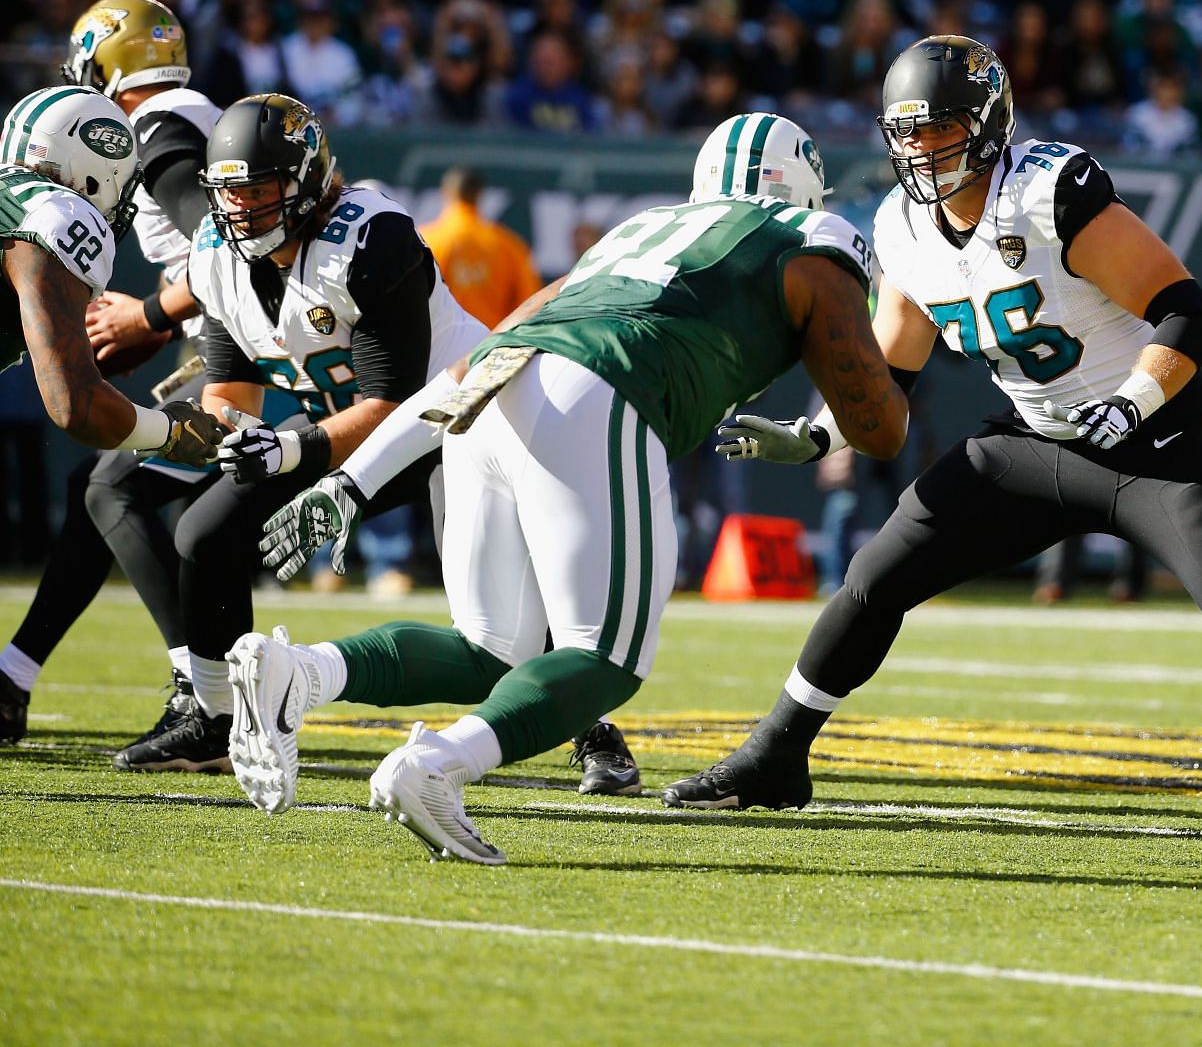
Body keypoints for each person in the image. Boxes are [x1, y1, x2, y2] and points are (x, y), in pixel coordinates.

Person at [662, 36, 1202, 850]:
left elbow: (1191, 312)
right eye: (906, 132)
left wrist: (1135, 401)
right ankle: (775, 756)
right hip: (1035, 441)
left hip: (1160, 442)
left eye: (940, 129)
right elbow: (892, 370)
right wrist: (815, 434)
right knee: (875, 578)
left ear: (989, 126)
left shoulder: (1046, 192)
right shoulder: (901, 228)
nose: (921, 151)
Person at [224, 112, 906, 864]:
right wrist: (823, 435)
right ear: (805, 188)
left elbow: (480, 358)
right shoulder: (811, 237)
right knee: (605, 658)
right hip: (601, 391)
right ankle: (436, 766)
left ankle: (302, 673)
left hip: (488, 399)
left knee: (492, 649)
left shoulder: (638, 232)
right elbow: (880, 426)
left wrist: (354, 481)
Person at [108, 94, 488, 774]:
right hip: (347, 427)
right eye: (228, 193)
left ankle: (591, 726)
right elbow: (230, 392)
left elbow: (391, 405)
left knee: (488, 608)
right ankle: (215, 720)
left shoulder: (371, 239)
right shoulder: (217, 257)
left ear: (306, 181)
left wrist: (282, 448)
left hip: (455, 427)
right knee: (205, 532)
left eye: (258, 190)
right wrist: (227, 434)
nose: (240, 209)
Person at [1, 0, 231, 753]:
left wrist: (150, 316)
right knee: (99, 487)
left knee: (112, 485)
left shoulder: (157, 126)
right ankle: (14, 675)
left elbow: (234, 249)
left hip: (260, 353)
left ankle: (204, 695)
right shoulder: (186, 116)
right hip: (243, 342)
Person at [418, 166, 544, 329]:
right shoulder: (509, 244)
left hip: (437, 346)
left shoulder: (425, 240)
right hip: (489, 346)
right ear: (479, 194)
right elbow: (531, 304)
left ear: (445, 192)